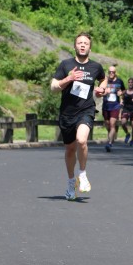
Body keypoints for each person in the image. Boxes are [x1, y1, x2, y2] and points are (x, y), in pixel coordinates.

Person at [50, 33, 106, 200]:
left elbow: (103, 80)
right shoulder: (65, 64)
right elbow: (53, 88)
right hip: (67, 113)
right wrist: (69, 78)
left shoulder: (96, 67)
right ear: (75, 46)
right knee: (70, 149)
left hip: (86, 110)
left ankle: (82, 173)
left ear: (90, 48)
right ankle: (71, 182)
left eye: (85, 43)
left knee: (81, 140)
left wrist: (101, 89)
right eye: (79, 43)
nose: (82, 45)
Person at [101, 66, 125, 152]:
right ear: (108, 72)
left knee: (112, 124)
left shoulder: (119, 81)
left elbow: (124, 90)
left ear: (115, 73)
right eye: (110, 72)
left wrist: (121, 93)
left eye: (113, 72)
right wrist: (104, 92)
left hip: (115, 106)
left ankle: (109, 143)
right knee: (107, 124)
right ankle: (111, 136)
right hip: (106, 106)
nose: (111, 73)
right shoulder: (104, 81)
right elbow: (99, 92)